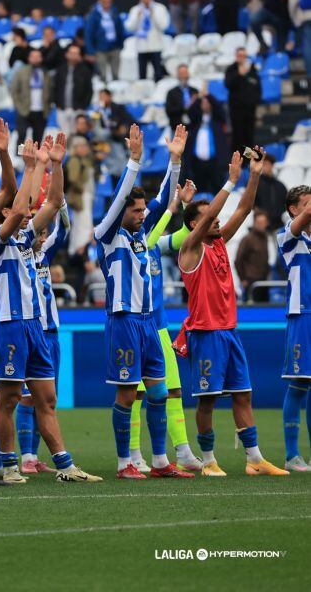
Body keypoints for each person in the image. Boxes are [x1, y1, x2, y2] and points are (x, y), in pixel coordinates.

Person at [0, 133, 101, 485]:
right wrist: (31, 166)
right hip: (8, 325)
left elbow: (53, 203)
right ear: (3, 213)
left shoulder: (25, 239)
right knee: (8, 399)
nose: (24, 215)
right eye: (14, 210)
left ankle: (64, 465)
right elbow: (24, 207)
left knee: (47, 399)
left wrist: (55, 164)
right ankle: (8, 464)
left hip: (34, 327)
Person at [177, 147, 288, 477]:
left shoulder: (219, 243)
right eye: (209, 217)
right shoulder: (190, 248)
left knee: (243, 394)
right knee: (208, 399)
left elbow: (244, 207)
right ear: (196, 223)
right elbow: (215, 213)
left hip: (229, 330)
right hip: (206, 333)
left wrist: (253, 176)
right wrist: (230, 181)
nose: (218, 221)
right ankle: (208, 459)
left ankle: (254, 459)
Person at [95, 123, 195, 480]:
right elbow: (123, 197)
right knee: (126, 396)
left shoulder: (141, 239)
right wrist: (134, 161)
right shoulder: (108, 236)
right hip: (123, 322)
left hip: (148, 323)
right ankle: (125, 463)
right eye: (135, 211)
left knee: (157, 393)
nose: (141, 215)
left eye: (141, 212)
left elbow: (165, 198)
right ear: (122, 211)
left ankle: (159, 461)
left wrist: (175, 161)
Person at [129, 180, 203, 473]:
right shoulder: (134, 243)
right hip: (133, 328)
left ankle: (182, 450)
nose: (144, 212)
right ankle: (134, 453)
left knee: (173, 389)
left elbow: (187, 235)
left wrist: (185, 206)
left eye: (146, 208)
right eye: (140, 209)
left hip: (159, 328)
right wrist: (170, 207)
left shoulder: (156, 245)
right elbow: (150, 238)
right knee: (133, 394)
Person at [23, 188, 71, 473]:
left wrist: (61, 203)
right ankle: (27, 456)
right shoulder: (19, 254)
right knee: (29, 397)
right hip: (31, 331)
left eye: (43, 235)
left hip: (51, 334)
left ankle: (34, 456)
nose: (42, 239)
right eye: (38, 235)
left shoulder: (44, 257)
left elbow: (65, 228)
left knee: (49, 397)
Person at [278, 184, 311, 471]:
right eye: (307, 202)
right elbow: (300, 226)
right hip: (302, 316)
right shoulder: (289, 236)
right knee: (299, 384)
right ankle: (291, 455)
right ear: (294, 209)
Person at [184, 93, 227, 194]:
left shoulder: (217, 120)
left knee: (217, 190)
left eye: (207, 103)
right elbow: (190, 111)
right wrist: (199, 98)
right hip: (197, 163)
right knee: (199, 191)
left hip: (215, 162)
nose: (205, 104)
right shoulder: (196, 120)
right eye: (203, 103)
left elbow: (220, 109)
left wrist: (208, 96)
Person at [125, 0, 169, 81]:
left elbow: (164, 26)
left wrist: (153, 14)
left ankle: (158, 92)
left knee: (158, 74)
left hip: (156, 46)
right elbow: (129, 27)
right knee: (142, 75)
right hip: (141, 47)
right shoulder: (135, 10)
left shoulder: (160, 8)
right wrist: (137, 16)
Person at [224, 48, 261, 153]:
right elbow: (228, 84)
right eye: (239, 55)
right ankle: (237, 159)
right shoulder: (231, 69)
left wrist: (255, 102)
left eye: (243, 56)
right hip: (236, 110)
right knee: (237, 135)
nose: (241, 58)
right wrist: (239, 75)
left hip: (249, 109)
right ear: (236, 56)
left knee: (249, 135)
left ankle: (247, 160)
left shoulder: (252, 70)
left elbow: (257, 88)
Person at [10, 49, 50, 144]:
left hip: (41, 110)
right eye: (33, 57)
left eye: (38, 57)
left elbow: (50, 91)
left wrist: (48, 106)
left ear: (41, 58)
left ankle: (36, 156)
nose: (36, 59)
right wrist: (18, 106)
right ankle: (18, 155)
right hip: (24, 109)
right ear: (29, 58)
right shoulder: (21, 72)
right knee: (21, 135)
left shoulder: (45, 72)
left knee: (38, 137)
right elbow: (14, 90)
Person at [52, 44, 93, 135]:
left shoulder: (85, 70)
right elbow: (55, 88)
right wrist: (57, 103)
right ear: (67, 54)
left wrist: (83, 106)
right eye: (72, 53)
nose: (74, 56)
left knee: (77, 134)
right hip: (62, 107)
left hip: (78, 108)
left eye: (76, 53)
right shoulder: (60, 69)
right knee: (64, 135)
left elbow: (89, 90)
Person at [85, 0, 126, 81]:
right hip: (100, 49)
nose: (107, 3)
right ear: (99, 1)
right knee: (102, 75)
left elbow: (120, 29)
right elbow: (88, 34)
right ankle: (103, 94)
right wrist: (91, 51)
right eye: (104, 1)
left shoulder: (114, 11)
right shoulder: (93, 14)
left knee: (116, 75)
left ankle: (116, 93)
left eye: (109, 1)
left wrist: (121, 44)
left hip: (115, 47)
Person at [235, 211, 271, 301]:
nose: (262, 225)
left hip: (264, 280)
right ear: (254, 223)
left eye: (264, 222)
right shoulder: (247, 239)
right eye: (259, 223)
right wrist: (242, 279)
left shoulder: (265, 237)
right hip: (251, 281)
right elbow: (238, 260)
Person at [255, 154, 289, 231]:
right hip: (262, 226)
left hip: (278, 224)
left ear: (272, 165)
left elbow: (286, 203)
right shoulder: (255, 184)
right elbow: (252, 205)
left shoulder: (280, 185)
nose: (265, 167)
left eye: (267, 164)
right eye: (263, 164)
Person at [290, 0, 311, 75]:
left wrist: (295, 20)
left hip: (306, 18)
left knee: (308, 46)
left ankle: (310, 75)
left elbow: (292, 2)